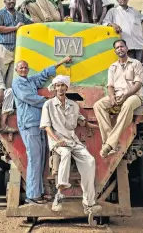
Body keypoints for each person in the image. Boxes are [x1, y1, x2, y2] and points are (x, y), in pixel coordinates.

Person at [12, 56, 72, 204]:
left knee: (42, 159)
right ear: (16, 70)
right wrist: (48, 102)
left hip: (38, 125)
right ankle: (32, 195)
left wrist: (62, 62)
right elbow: (28, 97)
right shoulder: (17, 82)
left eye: (26, 67)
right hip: (29, 124)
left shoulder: (30, 81)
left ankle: (39, 192)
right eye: (21, 68)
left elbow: (43, 74)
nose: (24, 69)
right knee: (34, 159)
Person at [40, 75, 102, 215]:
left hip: (73, 141)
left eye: (63, 86)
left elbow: (81, 122)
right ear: (54, 88)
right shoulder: (48, 105)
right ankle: (59, 196)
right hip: (58, 142)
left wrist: (99, 127)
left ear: (67, 88)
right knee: (65, 153)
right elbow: (46, 127)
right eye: (58, 86)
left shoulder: (73, 105)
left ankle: (89, 203)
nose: (60, 88)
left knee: (90, 161)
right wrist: (57, 140)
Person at [94, 40, 143, 158]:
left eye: (122, 46)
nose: (120, 49)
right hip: (117, 95)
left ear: (126, 48)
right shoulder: (113, 67)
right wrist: (111, 97)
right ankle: (111, 144)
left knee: (127, 106)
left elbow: (138, 84)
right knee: (98, 105)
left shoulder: (136, 63)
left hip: (134, 96)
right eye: (117, 48)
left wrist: (126, 95)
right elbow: (110, 86)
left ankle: (108, 145)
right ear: (115, 51)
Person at [0, 0, 33, 88]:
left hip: (15, 50)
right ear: (4, 1)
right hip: (3, 48)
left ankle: (7, 102)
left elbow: (32, 24)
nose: (11, 1)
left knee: (11, 82)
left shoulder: (20, 15)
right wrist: (15, 28)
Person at [102, 0, 143, 64]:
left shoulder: (135, 11)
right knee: (129, 70)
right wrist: (113, 24)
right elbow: (104, 23)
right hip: (126, 47)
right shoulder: (113, 11)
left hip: (140, 45)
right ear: (117, 0)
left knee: (142, 70)